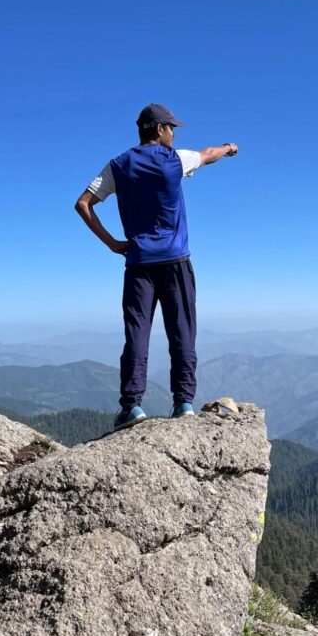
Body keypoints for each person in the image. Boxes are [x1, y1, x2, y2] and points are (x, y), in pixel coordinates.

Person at [74, 103, 238, 430]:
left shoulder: (117, 165)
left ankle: (132, 407)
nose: (174, 134)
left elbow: (83, 204)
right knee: (182, 331)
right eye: (172, 128)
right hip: (176, 260)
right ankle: (184, 403)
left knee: (137, 333)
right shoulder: (174, 160)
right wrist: (229, 148)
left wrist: (112, 244)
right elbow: (208, 154)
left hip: (138, 263)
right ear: (159, 129)